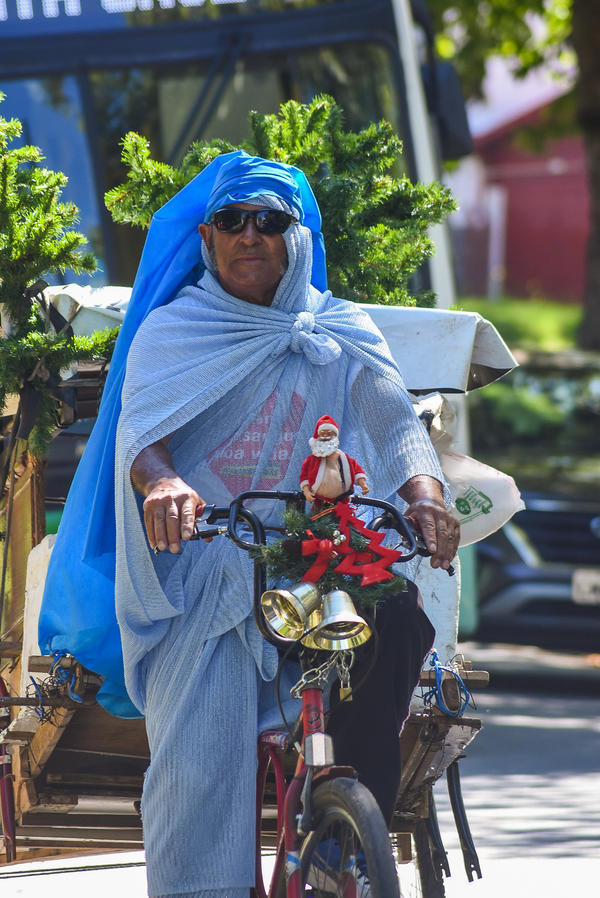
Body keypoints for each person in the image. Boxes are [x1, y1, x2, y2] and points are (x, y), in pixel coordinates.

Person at [41, 151, 459, 898]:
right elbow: (143, 432)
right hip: (206, 564)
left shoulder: (342, 328)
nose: (250, 235)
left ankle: (344, 829)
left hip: (318, 555)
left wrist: (427, 495)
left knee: (395, 618)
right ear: (206, 238)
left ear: (297, 237)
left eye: (269, 220)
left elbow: (396, 424)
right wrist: (163, 482)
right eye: (231, 220)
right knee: (200, 750)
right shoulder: (173, 330)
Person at [300, 413, 370, 505]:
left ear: (335, 436)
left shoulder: (344, 459)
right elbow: (304, 477)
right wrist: (306, 491)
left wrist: (363, 485)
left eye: (329, 433)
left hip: (342, 502)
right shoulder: (311, 461)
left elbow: (357, 471)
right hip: (319, 502)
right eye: (323, 434)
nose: (326, 437)